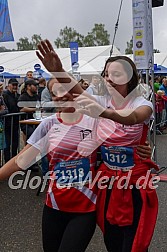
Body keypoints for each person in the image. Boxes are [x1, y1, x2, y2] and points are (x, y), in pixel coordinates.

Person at [35, 40, 158, 252]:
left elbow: (136, 117)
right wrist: (58, 70)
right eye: (107, 73)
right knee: (112, 239)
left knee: (134, 242)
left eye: (116, 74)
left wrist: (103, 112)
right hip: (108, 181)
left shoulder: (141, 102)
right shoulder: (101, 98)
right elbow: (75, 91)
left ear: (130, 78)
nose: (109, 78)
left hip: (135, 183)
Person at [3, 78, 20, 162]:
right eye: (13, 85)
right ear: (9, 85)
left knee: (15, 143)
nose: (15, 87)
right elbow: (5, 108)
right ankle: (7, 161)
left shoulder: (17, 95)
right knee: (7, 144)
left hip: (15, 123)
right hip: (7, 124)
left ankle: (13, 160)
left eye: (16, 85)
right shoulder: (5, 95)